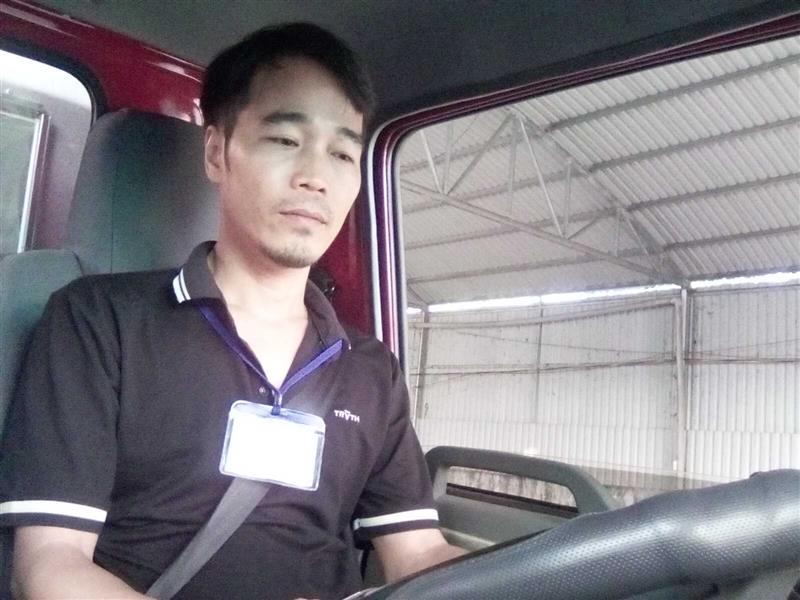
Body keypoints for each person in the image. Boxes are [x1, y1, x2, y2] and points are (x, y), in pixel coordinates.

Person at [0, 23, 464, 600]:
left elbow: (418, 553)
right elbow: (49, 565)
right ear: (218, 153)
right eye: (285, 141)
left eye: (343, 153)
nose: (315, 178)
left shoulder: (369, 368)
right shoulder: (98, 321)